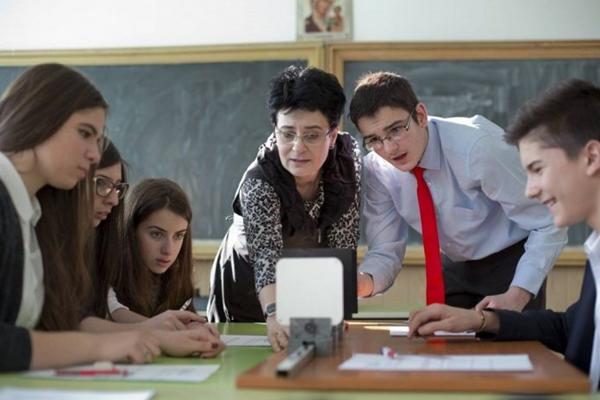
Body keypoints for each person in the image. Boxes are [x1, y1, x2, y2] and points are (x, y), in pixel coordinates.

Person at [408, 79, 600, 392]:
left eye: (538, 169)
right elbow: (570, 327)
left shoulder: (474, 147)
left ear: (591, 157)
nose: (529, 189)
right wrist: (480, 321)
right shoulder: (597, 254)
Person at [349, 71, 567, 311]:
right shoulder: (378, 170)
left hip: (512, 264)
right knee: (445, 343)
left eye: (396, 130)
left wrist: (519, 293)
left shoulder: (478, 147)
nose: (389, 148)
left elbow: (547, 221)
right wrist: (363, 282)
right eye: (374, 140)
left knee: (514, 346)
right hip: (453, 266)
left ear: (420, 115)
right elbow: (385, 249)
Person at [0, 63, 162, 371]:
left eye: (97, 140)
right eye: (84, 133)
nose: (94, 156)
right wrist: (102, 345)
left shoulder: (30, 210)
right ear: (38, 119)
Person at [207, 65, 361, 351]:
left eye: (312, 135)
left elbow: (342, 240)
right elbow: (266, 258)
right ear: (275, 129)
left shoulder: (347, 162)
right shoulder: (259, 181)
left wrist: (335, 305)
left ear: (333, 133)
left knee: (322, 353)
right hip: (247, 286)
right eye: (287, 133)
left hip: (303, 276)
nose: (297, 147)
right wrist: (276, 314)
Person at [110, 178, 224, 356]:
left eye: (179, 236)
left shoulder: (176, 274)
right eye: (156, 234)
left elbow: (175, 320)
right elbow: (116, 315)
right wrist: (174, 332)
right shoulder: (107, 268)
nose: (168, 250)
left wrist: (193, 326)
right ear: (130, 230)